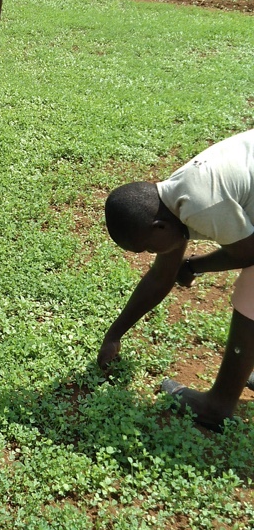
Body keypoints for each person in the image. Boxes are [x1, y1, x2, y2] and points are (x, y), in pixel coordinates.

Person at [98, 129, 254, 430]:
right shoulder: (172, 201)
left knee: (251, 291)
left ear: (158, 228)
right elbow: (161, 277)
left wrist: (196, 266)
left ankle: (216, 406)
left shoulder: (202, 204)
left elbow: (248, 253)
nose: (148, 253)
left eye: (145, 247)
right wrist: (114, 334)